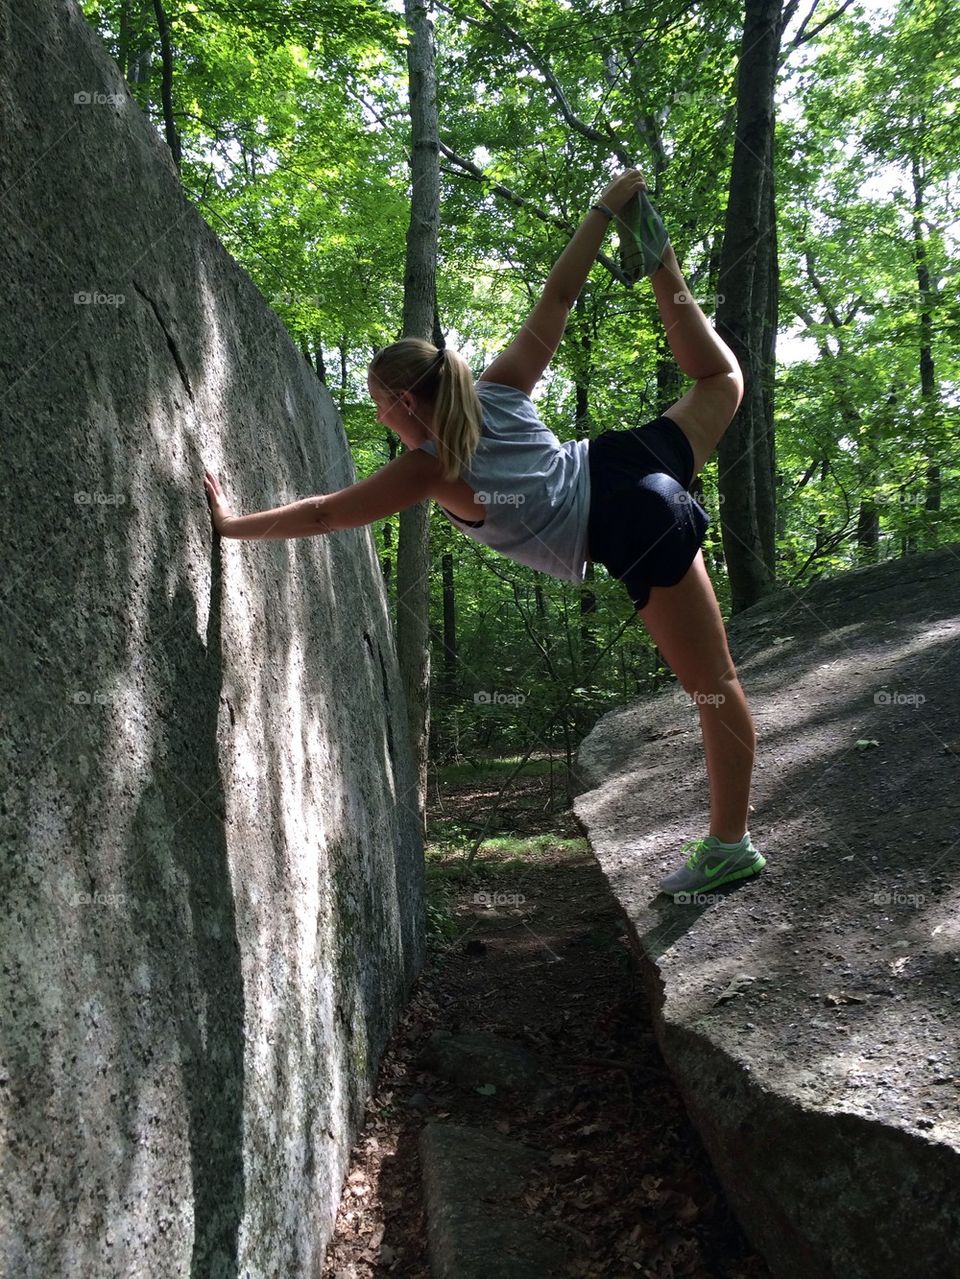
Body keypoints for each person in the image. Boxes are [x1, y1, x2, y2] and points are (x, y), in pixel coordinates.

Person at [203, 168, 765, 898]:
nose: (379, 418)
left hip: (627, 516)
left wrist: (229, 526)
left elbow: (324, 514)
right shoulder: (497, 388)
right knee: (722, 381)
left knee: (714, 687)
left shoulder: (431, 467)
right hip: (628, 459)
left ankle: (729, 849)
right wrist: (602, 210)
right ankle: (660, 258)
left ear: (406, 402)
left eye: (379, 405)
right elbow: (557, 299)